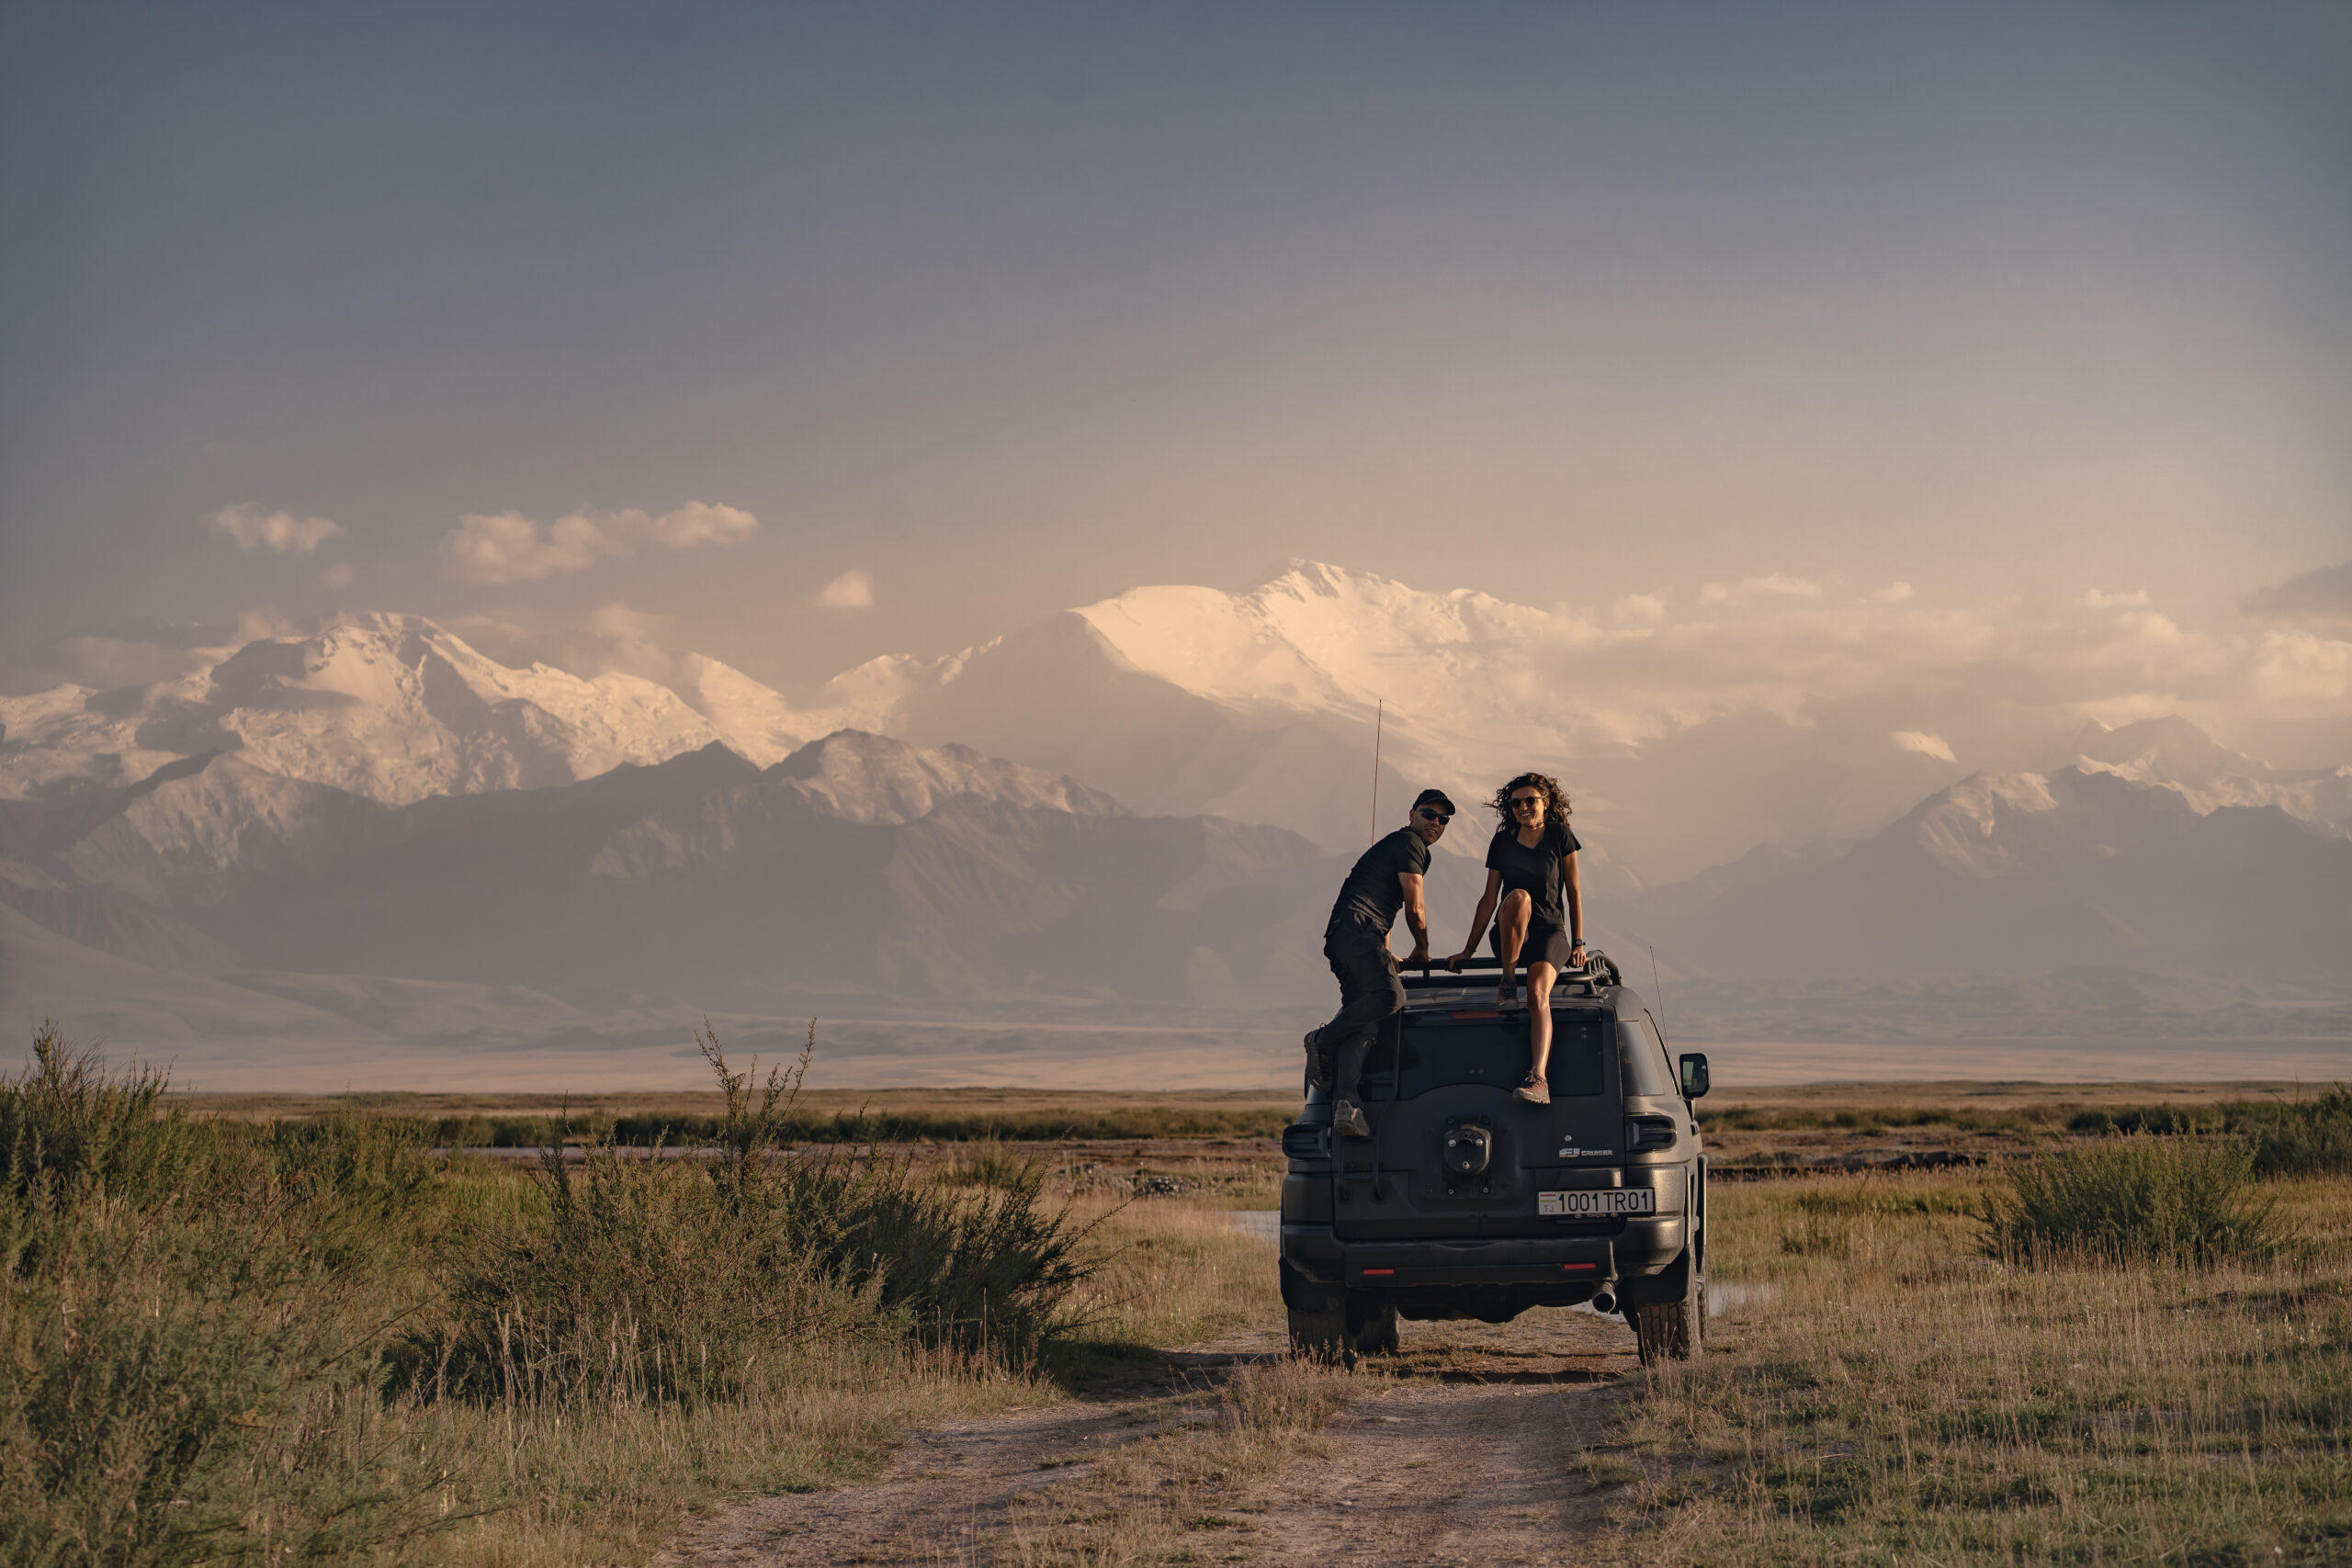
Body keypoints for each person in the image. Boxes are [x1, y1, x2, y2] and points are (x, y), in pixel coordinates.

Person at [1306, 788, 1455, 1138]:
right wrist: (1422, 949)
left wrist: (1386, 952)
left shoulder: (1398, 846)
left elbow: (1387, 908)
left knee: (1367, 1020)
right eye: (1428, 814)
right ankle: (1322, 1041)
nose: (1435, 823)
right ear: (1411, 815)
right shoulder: (1410, 844)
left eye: (1443, 819)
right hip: (1358, 930)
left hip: (1349, 934)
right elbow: (1414, 906)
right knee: (1392, 997)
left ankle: (1347, 1104)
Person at [1446, 772, 1585, 1106]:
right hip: (1510, 937)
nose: (1523, 807)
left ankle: (1539, 1078)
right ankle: (1507, 981)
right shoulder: (1503, 841)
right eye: (1516, 802)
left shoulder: (1560, 836)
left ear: (1545, 802)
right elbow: (1489, 898)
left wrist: (1578, 942)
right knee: (1519, 897)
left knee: (1538, 992)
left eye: (1530, 800)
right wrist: (1469, 949)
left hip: (1550, 933)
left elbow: (1574, 892)